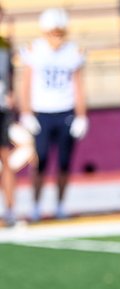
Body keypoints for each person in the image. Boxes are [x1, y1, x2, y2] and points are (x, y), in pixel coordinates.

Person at [17, 8, 87, 222]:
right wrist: (26, 112)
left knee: (64, 162)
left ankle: (60, 205)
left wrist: (82, 115)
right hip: (42, 113)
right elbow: (26, 83)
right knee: (41, 161)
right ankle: (36, 206)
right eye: (52, 33)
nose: (56, 37)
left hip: (65, 111)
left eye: (59, 33)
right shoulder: (35, 50)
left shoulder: (72, 51)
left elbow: (78, 86)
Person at [1, 31, 17, 227]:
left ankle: (10, 210)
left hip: (2, 109)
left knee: (5, 156)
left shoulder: (4, 45)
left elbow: (9, 75)